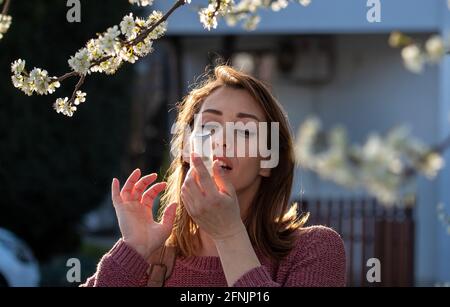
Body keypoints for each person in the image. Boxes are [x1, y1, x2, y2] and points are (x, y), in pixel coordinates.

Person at [81, 64, 346, 287]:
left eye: (244, 131)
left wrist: (229, 234)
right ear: (186, 148)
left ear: (268, 159)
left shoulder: (314, 250)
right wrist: (134, 251)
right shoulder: (149, 262)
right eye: (209, 126)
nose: (222, 140)